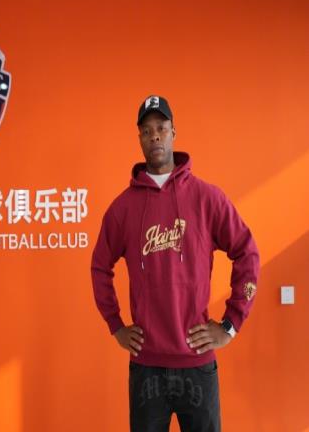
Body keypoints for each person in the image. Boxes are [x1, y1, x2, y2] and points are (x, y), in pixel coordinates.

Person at [90, 95, 260, 432]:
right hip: (147, 367)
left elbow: (247, 252)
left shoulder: (208, 198)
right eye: (146, 131)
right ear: (140, 139)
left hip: (198, 365)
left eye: (162, 128)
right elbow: (99, 267)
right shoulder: (122, 208)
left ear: (173, 133)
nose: (155, 135)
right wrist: (115, 324)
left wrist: (230, 324)